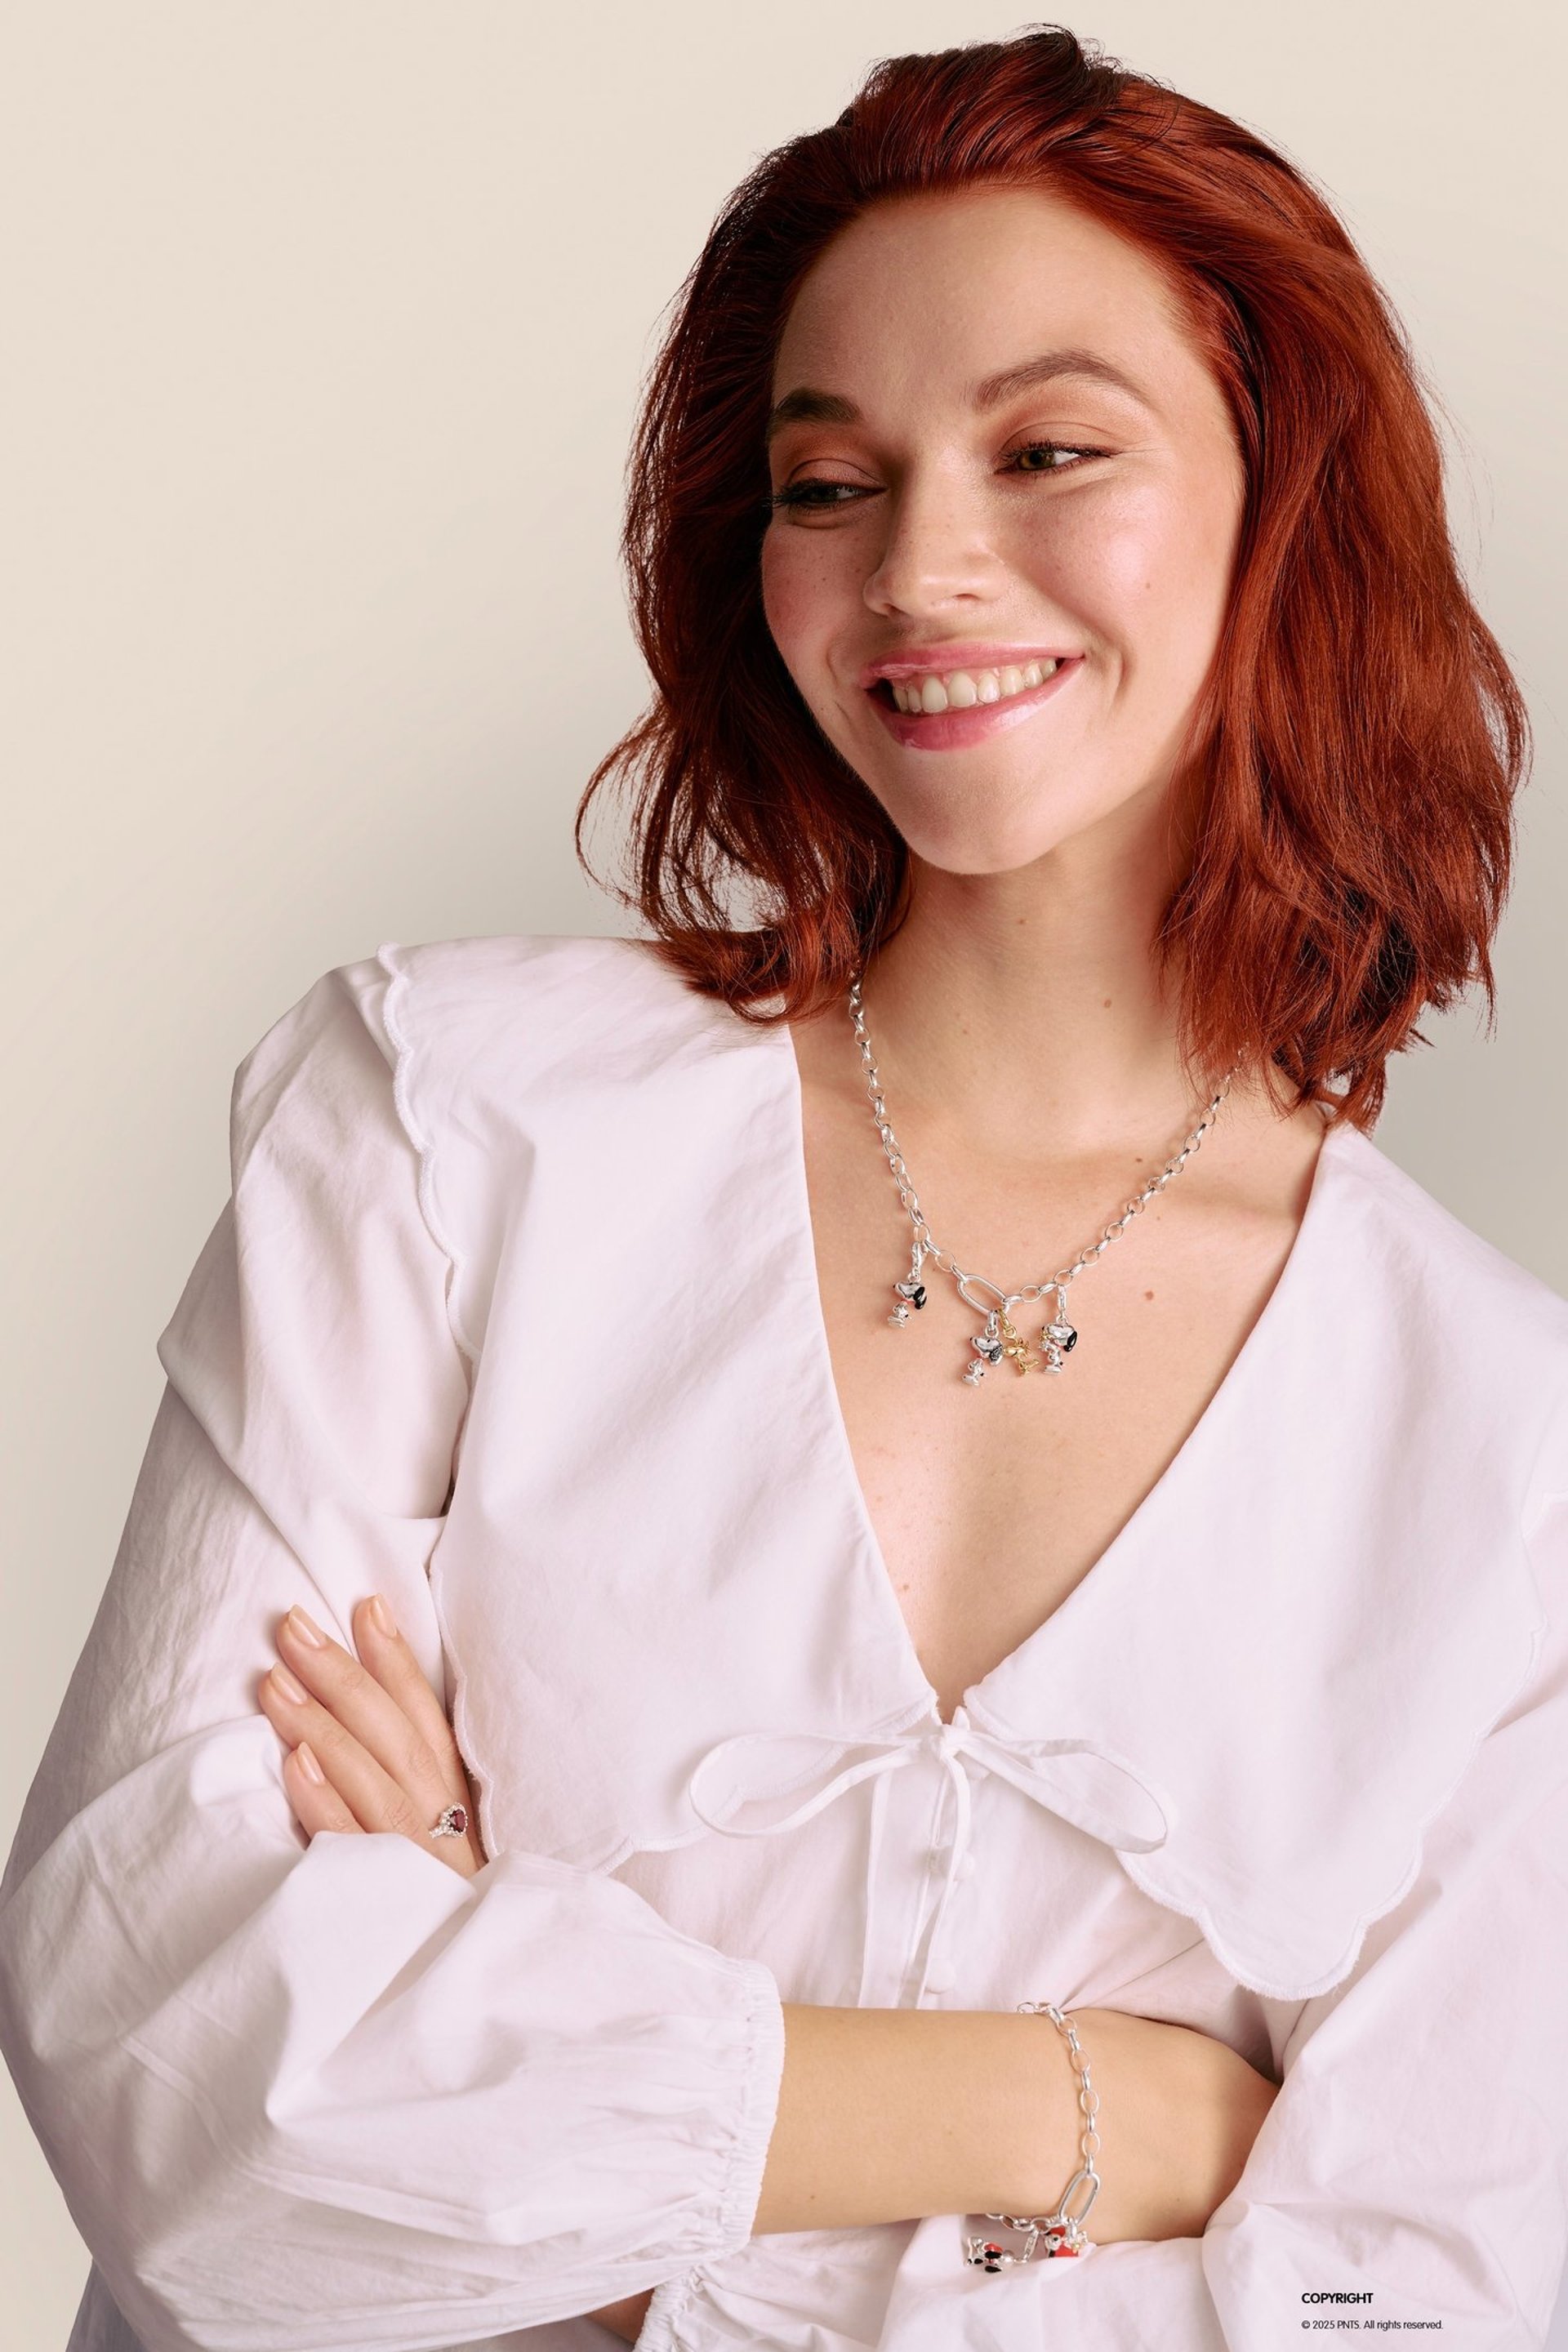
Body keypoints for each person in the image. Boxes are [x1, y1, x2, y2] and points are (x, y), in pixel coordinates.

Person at [2, 23, 1564, 2352]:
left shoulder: (1515, 1462)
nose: (921, 566)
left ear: (1284, 509)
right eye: (828, 483)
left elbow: (1415, 2319)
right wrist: (1112, 2123)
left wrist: (549, 2215)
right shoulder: (441, 1122)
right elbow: (185, 2087)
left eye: (1050, 450)